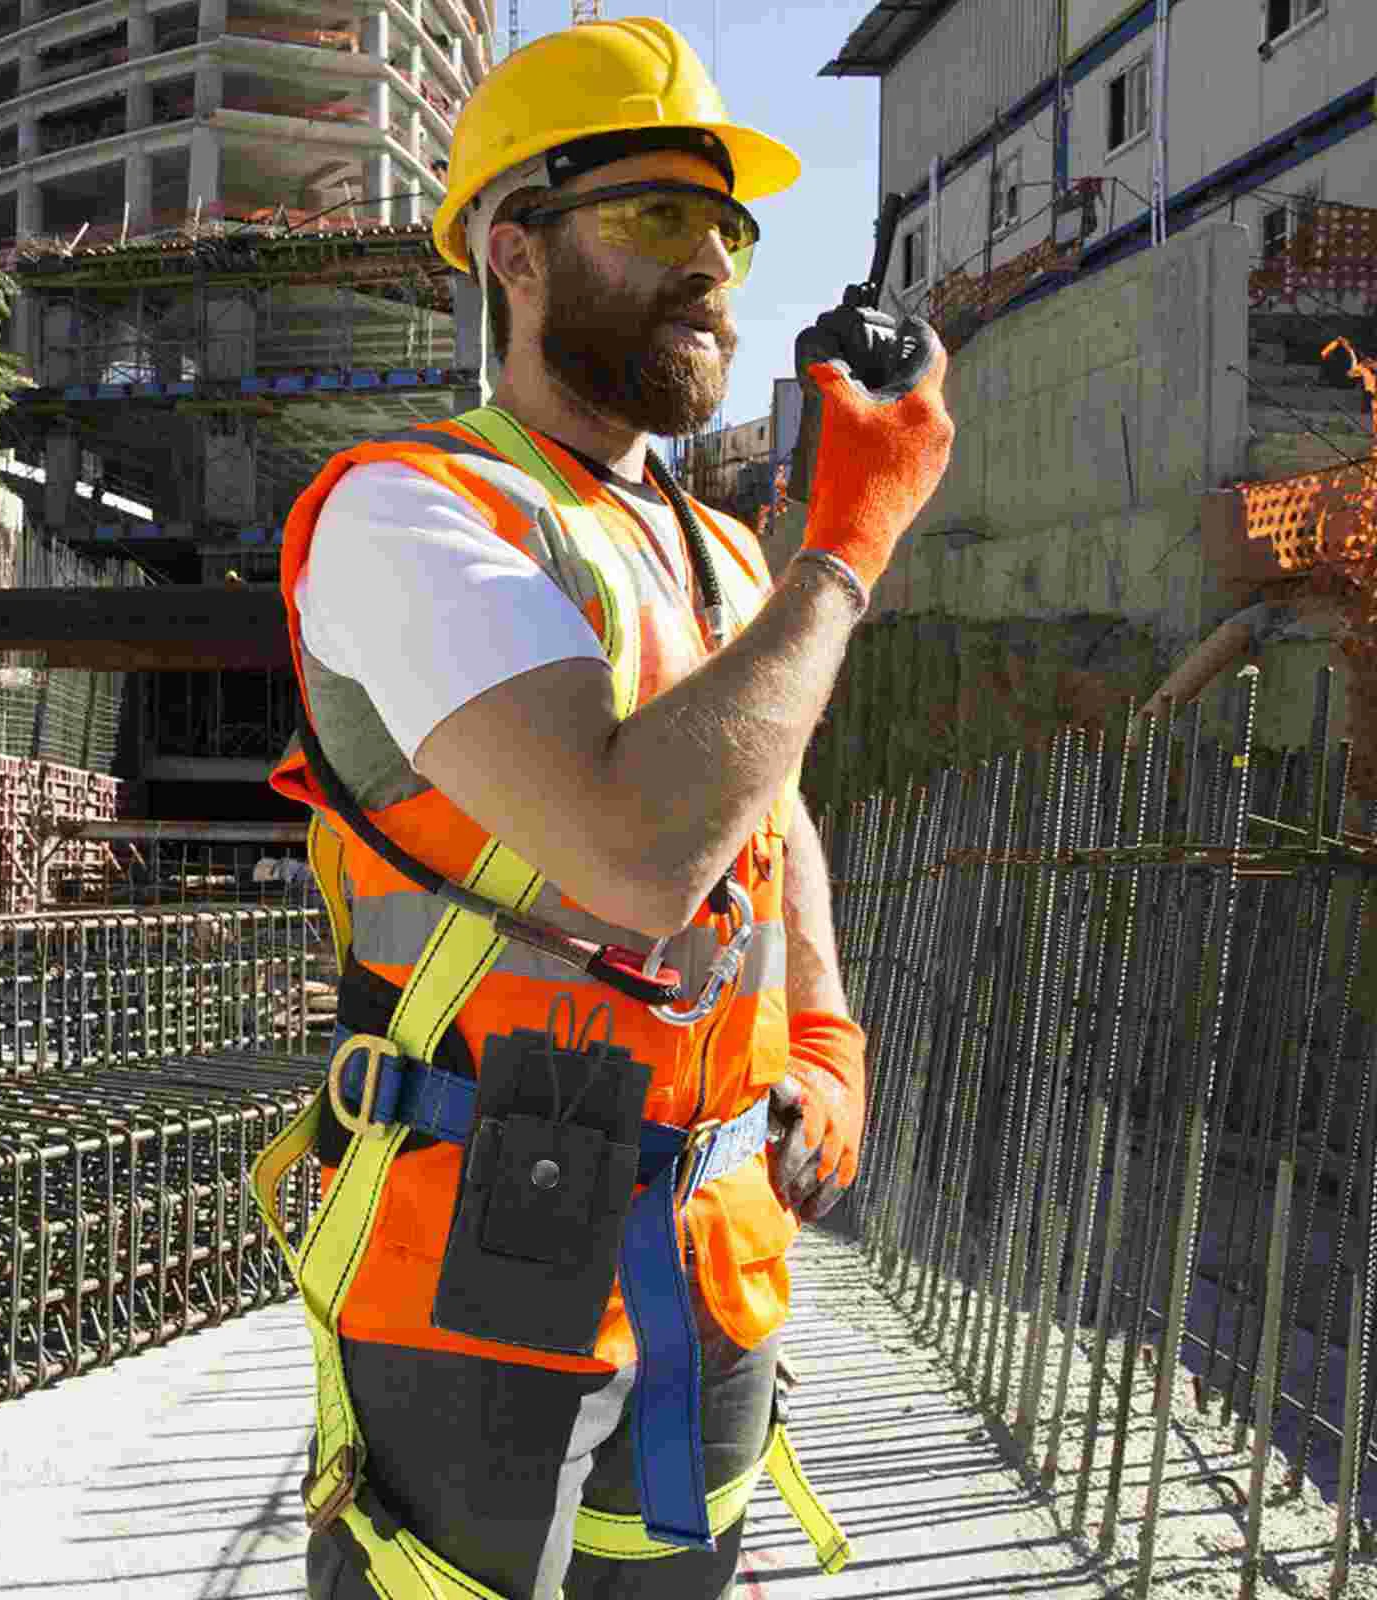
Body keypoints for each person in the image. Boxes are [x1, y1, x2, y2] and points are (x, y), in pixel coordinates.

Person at [255, 17, 953, 1600]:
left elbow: (766, 816)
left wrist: (825, 1030)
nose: (710, 264)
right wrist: (847, 552)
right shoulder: (414, 514)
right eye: (655, 220)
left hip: (713, 1246)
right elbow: (637, 854)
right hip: (478, 1270)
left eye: (728, 227)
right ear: (514, 251)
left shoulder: (715, 551)